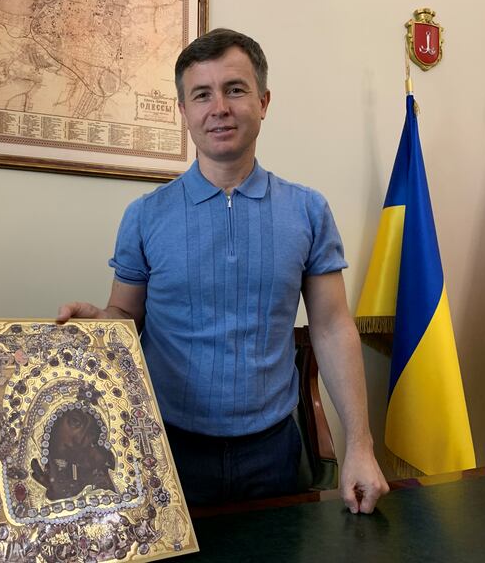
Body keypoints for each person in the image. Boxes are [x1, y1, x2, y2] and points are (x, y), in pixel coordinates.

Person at [57, 28, 388, 513]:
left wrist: (360, 444)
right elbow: (126, 317)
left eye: (235, 89)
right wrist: (100, 325)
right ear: (184, 112)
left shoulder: (308, 210)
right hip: (167, 449)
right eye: (202, 95)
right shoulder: (145, 216)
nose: (220, 108)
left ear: (263, 101)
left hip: (275, 452)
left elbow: (334, 327)